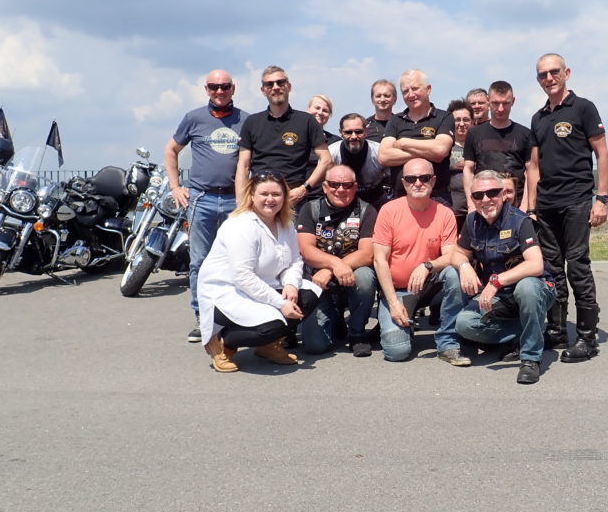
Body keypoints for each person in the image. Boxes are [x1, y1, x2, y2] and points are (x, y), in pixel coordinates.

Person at [528, 53, 608, 363]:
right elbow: (534, 166)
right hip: (546, 205)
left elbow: (602, 154)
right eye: (542, 74)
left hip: (576, 200)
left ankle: (587, 338)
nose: (549, 78)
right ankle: (557, 329)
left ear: (567, 73)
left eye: (554, 72)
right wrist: (532, 206)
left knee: (577, 267)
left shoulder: (583, 108)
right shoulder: (538, 118)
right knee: (552, 268)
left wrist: (601, 199)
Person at [196, 172, 321, 372]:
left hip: (264, 285)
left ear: (284, 197)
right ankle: (221, 341)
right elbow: (243, 277)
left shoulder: (286, 223)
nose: (270, 199)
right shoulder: (240, 225)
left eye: (276, 194)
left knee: (308, 295)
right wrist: (281, 303)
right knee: (273, 325)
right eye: (264, 194)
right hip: (227, 292)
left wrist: (290, 285)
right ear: (252, 196)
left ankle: (266, 346)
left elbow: (295, 261)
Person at [441, 170, 556, 384]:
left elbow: (536, 264)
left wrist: (496, 281)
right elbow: (457, 254)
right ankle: (528, 328)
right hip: (501, 297)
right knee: (465, 324)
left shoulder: (520, 221)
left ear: (503, 194)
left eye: (492, 193)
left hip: (536, 288)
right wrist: (464, 266)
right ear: (472, 199)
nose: (486, 199)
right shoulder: (472, 221)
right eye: (478, 195)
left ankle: (530, 358)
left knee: (527, 288)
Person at [164, 69, 249, 343]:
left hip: (235, 199)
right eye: (214, 86)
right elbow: (171, 150)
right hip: (202, 199)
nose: (219, 91)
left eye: (224, 86)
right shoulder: (194, 118)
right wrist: (175, 186)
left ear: (233, 88)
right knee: (200, 262)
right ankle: (202, 316)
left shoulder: (246, 120)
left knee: (238, 261)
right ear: (206, 89)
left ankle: (234, 317)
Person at [372, 158, 464, 364]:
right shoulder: (388, 211)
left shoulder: (445, 213)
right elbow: (379, 260)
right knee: (397, 352)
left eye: (424, 178)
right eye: (411, 179)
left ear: (433, 181)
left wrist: (427, 266)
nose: (418, 183)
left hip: (430, 286)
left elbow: (451, 255)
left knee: (454, 273)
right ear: (403, 183)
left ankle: (448, 342)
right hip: (398, 291)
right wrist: (393, 303)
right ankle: (399, 320)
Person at [296, 164, 378, 357]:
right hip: (319, 282)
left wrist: (332, 269)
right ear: (325, 187)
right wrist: (335, 264)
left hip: (351, 277)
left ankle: (357, 333)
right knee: (315, 346)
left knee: (366, 276)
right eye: (334, 184)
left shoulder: (367, 211)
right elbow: (306, 250)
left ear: (355, 187)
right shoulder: (310, 209)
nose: (341, 189)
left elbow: (367, 254)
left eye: (347, 185)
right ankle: (335, 320)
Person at [235, 66, 331, 209]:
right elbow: (243, 165)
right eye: (269, 84)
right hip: (259, 198)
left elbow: (326, 159)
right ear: (263, 90)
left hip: (293, 199)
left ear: (289, 86)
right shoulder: (252, 122)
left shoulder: (307, 121)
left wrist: (304, 189)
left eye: (280, 83)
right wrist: (241, 201)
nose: (275, 87)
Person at [377, 69, 454, 206]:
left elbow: (440, 150)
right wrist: (429, 152)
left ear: (428, 89)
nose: (411, 94)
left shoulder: (444, 117)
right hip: (401, 199)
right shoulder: (395, 120)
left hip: (437, 198)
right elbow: (384, 156)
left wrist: (403, 143)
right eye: (405, 91)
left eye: (415, 88)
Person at [463, 80, 537, 212]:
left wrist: (526, 205)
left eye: (506, 103)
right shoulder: (474, 133)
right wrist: (471, 204)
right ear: (488, 100)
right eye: (496, 103)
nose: (501, 108)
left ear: (513, 101)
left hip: (516, 206)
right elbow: (468, 170)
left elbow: (530, 171)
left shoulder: (525, 134)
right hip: (483, 205)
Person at [328, 113, 389, 207]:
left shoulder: (379, 151)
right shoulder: (331, 153)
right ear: (341, 132)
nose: (353, 136)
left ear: (366, 131)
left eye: (358, 132)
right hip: (341, 201)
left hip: (376, 200)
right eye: (348, 132)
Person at [304, 94, 339, 201]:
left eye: (325, 110)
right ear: (308, 110)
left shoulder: (336, 142)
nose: (320, 112)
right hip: (297, 196)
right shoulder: (294, 137)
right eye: (317, 108)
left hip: (324, 198)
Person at [447, 99, 473, 231]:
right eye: (457, 120)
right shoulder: (444, 147)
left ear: (472, 122)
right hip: (450, 213)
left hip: (474, 212)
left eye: (466, 120)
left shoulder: (478, 146)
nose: (461, 124)